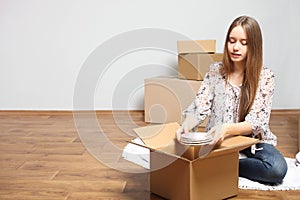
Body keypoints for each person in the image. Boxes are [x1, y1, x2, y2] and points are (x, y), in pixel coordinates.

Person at [177, 15, 287, 184]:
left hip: (252, 141)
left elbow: (257, 121)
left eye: (244, 43)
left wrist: (226, 129)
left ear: (254, 46)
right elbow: (200, 106)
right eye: (232, 41)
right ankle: (217, 162)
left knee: (276, 169)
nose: (236, 47)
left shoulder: (265, 76)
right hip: (217, 139)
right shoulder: (215, 70)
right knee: (181, 155)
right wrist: (186, 125)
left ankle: (223, 164)